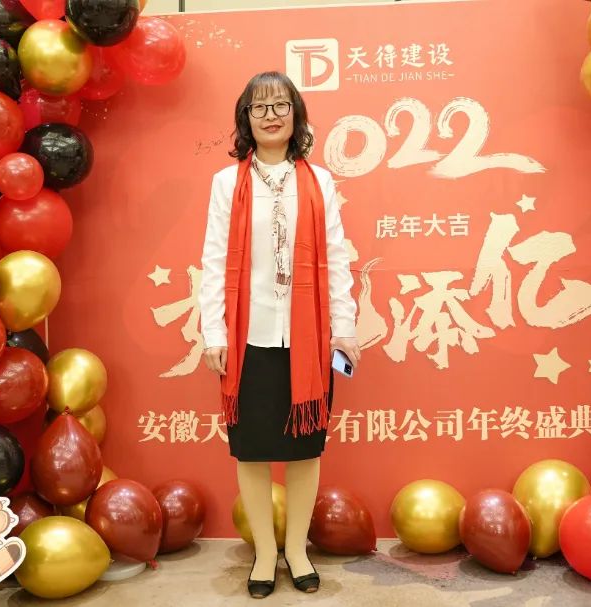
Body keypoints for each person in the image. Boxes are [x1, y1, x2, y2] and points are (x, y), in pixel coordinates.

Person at [198, 71, 360, 599]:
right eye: (259, 107)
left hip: (307, 340)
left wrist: (344, 327)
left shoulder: (320, 181)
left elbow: (336, 258)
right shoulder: (227, 184)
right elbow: (214, 260)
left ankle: (296, 549)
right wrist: (213, 331)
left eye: (280, 105)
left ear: (296, 115)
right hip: (249, 337)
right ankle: (265, 553)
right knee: (251, 451)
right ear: (246, 119)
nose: (271, 116)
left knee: (304, 450)